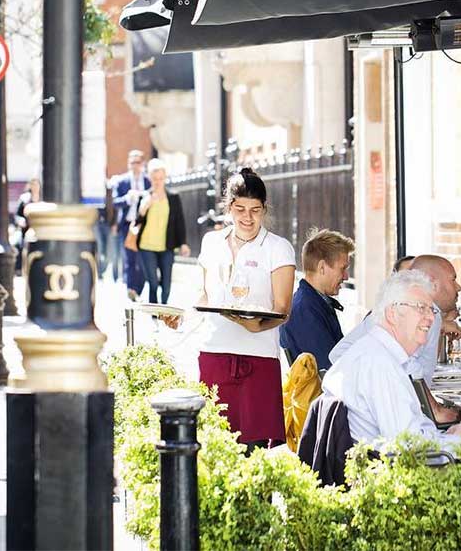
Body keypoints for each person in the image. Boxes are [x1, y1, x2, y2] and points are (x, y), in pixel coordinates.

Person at [322, 270, 461, 448]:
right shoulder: (380, 365)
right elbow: (409, 449)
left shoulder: (374, 353)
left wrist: (445, 436)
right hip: (409, 469)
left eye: (431, 310)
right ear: (392, 313)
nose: (430, 317)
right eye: (421, 308)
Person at [196, 168, 296, 449]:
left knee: (253, 449)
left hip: (258, 356)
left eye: (255, 210)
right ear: (229, 208)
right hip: (214, 351)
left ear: (264, 209)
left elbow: (283, 308)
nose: (247, 217)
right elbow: (203, 294)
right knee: (215, 446)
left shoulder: (278, 248)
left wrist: (256, 325)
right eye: (240, 209)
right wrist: (179, 318)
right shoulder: (211, 242)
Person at [330, 254, 461, 384]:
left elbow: (419, 370)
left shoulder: (430, 312)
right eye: (453, 279)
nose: (458, 287)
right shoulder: (410, 310)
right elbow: (411, 371)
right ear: (432, 282)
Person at [280, 228, 355, 369]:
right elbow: (329, 370)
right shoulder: (305, 311)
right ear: (322, 267)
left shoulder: (313, 304)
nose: (346, 276)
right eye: (342, 268)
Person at [134, 158, 190, 304]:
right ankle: (154, 313)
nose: (157, 182)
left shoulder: (173, 197)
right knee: (153, 283)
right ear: (149, 179)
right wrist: (144, 208)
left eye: (160, 178)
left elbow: (180, 222)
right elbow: (136, 223)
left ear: (165, 178)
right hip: (146, 246)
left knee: (166, 285)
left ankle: (163, 310)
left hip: (167, 247)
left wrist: (183, 243)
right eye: (154, 179)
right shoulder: (144, 197)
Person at [114, 150, 151, 301]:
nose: (135, 166)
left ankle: (138, 289)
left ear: (142, 164)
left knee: (141, 259)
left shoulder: (148, 181)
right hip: (127, 225)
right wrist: (127, 199)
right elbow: (115, 202)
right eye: (132, 162)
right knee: (129, 259)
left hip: (144, 225)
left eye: (137, 162)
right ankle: (130, 289)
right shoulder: (122, 182)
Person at [14, 178, 40, 274]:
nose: (35, 187)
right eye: (33, 184)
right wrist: (21, 221)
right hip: (26, 231)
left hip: (39, 231)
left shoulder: (42, 198)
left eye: (36, 184)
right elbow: (16, 215)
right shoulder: (24, 199)